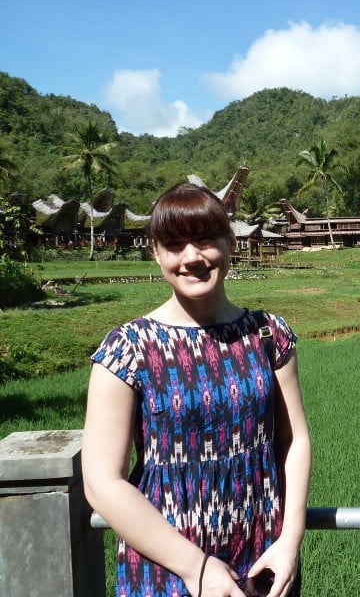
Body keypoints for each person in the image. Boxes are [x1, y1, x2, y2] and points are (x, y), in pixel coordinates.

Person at [82, 182, 311, 597]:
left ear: (230, 241)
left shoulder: (268, 334)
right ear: (155, 252)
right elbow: (101, 481)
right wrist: (196, 568)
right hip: (167, 566)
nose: (192, 257)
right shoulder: (129, 348)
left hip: (264, 562)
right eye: (174, 244)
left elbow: (291, 440)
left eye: (206, 239)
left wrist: (289, 542)